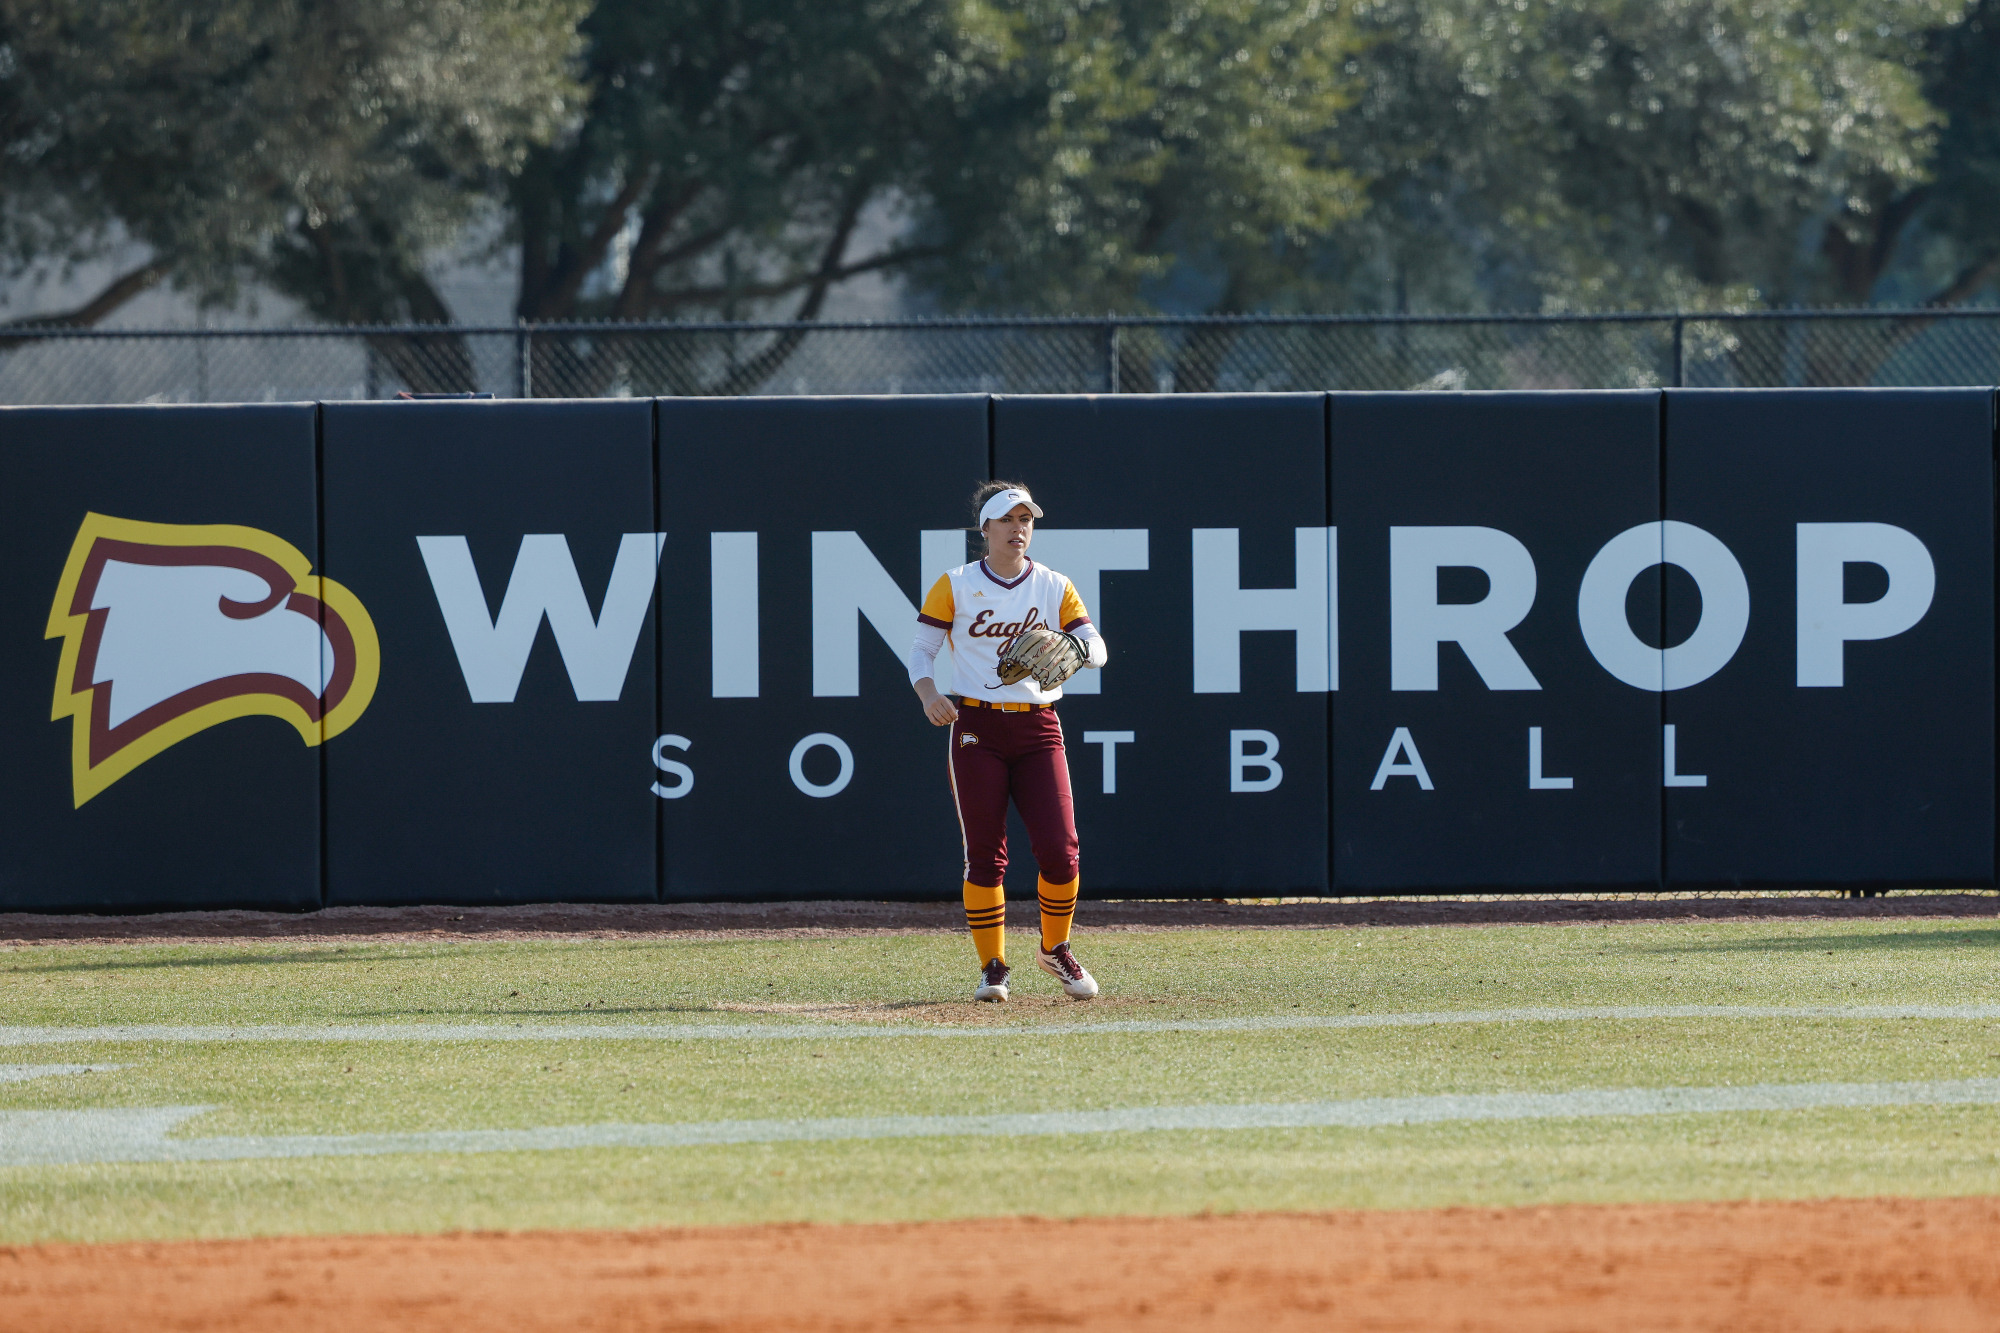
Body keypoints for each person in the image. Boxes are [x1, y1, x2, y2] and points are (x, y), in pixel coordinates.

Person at [908, 482, 1108, 1002]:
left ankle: (1054, 949)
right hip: (978, 726)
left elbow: (1097, 646)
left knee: (1061, 850)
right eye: (1007, 519)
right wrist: (929, 694)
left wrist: (1077, 649)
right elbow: (922, 650)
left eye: (1026, 519)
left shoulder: (1054, 584)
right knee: (984, 854)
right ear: (986, 528)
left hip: (1039, 725)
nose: (1019, 528)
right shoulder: (956, 583)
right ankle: (993, 967)